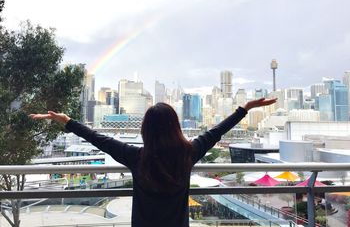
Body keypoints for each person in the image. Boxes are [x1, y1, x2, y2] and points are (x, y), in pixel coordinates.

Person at [30, 97, 276, 227]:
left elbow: (98, 139)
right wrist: (244, 109)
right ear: (176, 127)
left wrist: (68, 121)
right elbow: (217, 132)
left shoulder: (137, 157)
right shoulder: (188, 153)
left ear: (146, 129)